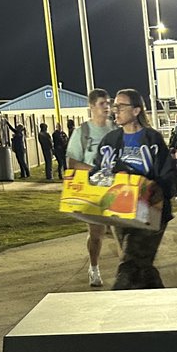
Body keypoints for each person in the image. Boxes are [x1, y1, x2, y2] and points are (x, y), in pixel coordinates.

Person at [99, 88, 177, 289]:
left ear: (136, 111)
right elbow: (99, 172)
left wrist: (146, 187)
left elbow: (167, 175)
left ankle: (116, 305)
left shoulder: (153, 139)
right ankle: (159, 296)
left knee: (129, 264)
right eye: (114, 106)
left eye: (121, 106)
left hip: (149, 211)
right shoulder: (110, 141)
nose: (115, 110)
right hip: (120, 211)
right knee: (141, 264)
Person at [67, 87, 116, 287]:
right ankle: (94, 268)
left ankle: (128, 269)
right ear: (92, 107)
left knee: (121, 232)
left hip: (115, 188)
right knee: (97, 233)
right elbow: (72, 162)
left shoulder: (115, 129)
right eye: (102, 103)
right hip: (93, 189)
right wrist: (96, 169)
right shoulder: (82, 132)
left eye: (108, 103)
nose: (107, 107)